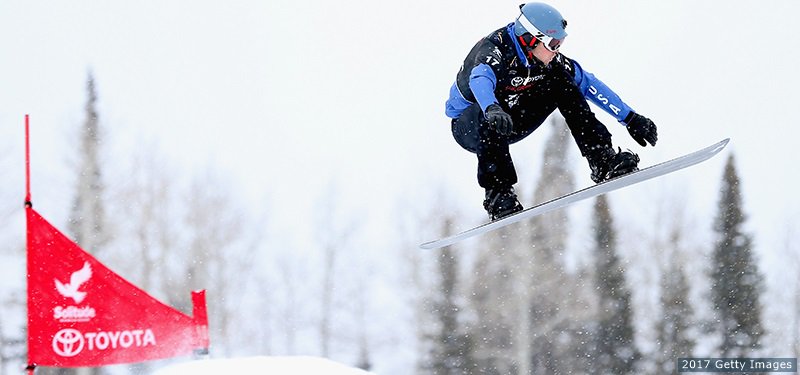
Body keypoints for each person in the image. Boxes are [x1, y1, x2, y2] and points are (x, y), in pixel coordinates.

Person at [445, 2, 658, 220]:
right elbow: (480, 78)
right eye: (554, 43)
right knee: (488, 112)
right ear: (530, 39)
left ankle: (601, 159)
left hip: (510, 121)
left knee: (562, 81)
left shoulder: (548, 61)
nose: (557, 50)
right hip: (470, 126)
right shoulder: (495, 49)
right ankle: (498, 194)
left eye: (560, 43)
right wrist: (491, 107)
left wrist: (630, 118)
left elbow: (589, 85)